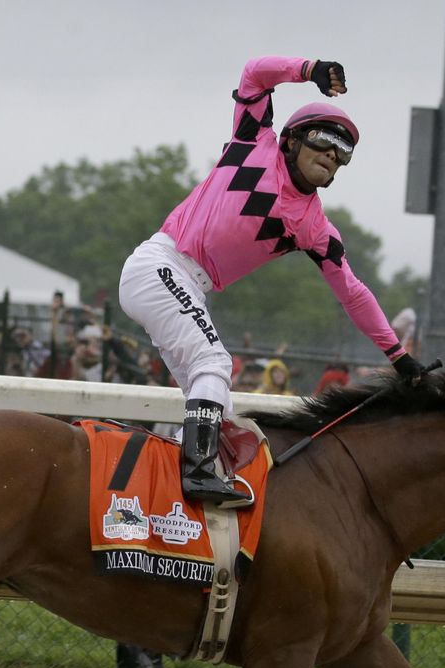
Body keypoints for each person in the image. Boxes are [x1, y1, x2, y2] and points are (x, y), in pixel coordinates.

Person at [118, 56, 423, 504]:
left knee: (217, 402)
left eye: (342, 153)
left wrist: (398, 356)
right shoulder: (253, 140)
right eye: (323, 142)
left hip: (184, 285)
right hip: (159, 265)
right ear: (293, 139)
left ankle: (174, 496)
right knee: (215, 365)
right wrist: (308, 69)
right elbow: (253, 74)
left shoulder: (316, 229)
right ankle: (197, 474)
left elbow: (354, 295)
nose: (331, 156)